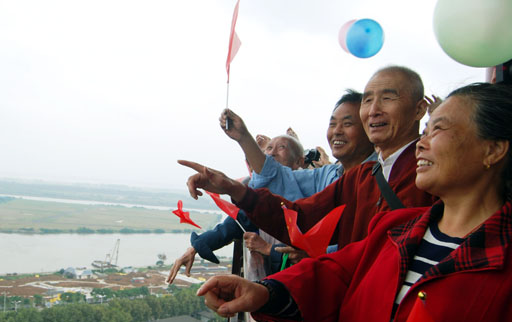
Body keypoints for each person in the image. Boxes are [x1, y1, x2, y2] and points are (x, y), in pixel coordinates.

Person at [195, 82, 512, 322]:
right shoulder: (401, 228)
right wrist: (265, 292)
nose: (422, 144)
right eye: (425, 131)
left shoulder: (500, 256)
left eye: (438, 129)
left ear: (494, 149)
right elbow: (336, 272)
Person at [180, 66, 436, 251]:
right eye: (368, 100)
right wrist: (234, 187)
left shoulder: (430, 173)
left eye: (388, 98)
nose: (374, 110)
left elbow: (363, 257)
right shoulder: (359, 178)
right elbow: (299, 217)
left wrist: (277, 257)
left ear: (419, 110)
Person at [168, 90, 375, 283]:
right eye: (333, 124)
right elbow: (274, 184)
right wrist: (243, 140)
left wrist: (274, 250)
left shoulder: (379, 181)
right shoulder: (329, 175)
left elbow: (358, 250)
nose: (337, 131)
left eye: (347, 124)